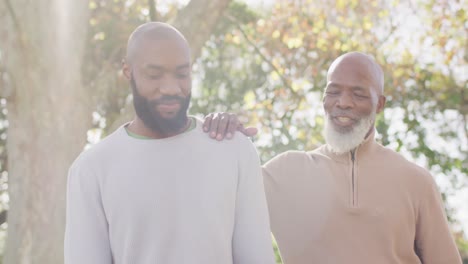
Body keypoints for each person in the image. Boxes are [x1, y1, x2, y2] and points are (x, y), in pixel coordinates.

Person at [204, 52, 462, 263]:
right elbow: (209, 204)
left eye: (359, 94)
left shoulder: (416, 181)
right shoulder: (284, 172)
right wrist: (220, 135)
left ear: (380, 104)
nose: (344, 103)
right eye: (333, 91)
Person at [64, 22, 275, 264]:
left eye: (182, 74)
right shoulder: (91, 170)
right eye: (154, 75)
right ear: (127, 71)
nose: (171, 88)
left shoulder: (233, 149)